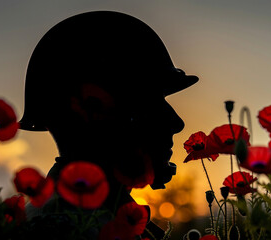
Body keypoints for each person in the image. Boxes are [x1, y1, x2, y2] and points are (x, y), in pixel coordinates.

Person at [19, 10, 198, 239]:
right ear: (92, 109)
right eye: (149, 102)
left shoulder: (100, 219)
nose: (176, 123)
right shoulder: (64, 229)